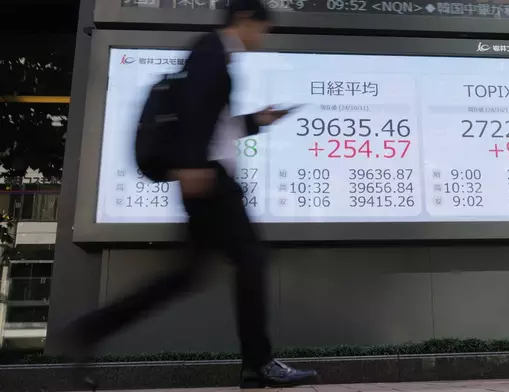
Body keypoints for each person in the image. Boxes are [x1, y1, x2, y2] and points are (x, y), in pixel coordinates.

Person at [59, 0, 319, 389]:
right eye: (263, 29)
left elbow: (211, 120)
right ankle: (259, 363)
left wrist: (257, 120)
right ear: (246, 19)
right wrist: (192, 165)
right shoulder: (212, 50)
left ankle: (90, 329)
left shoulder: (216, 54)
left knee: (184, 276)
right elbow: (194, 109)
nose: (263, 37)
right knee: (250, 258)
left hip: (205, 175)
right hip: (209, 178)